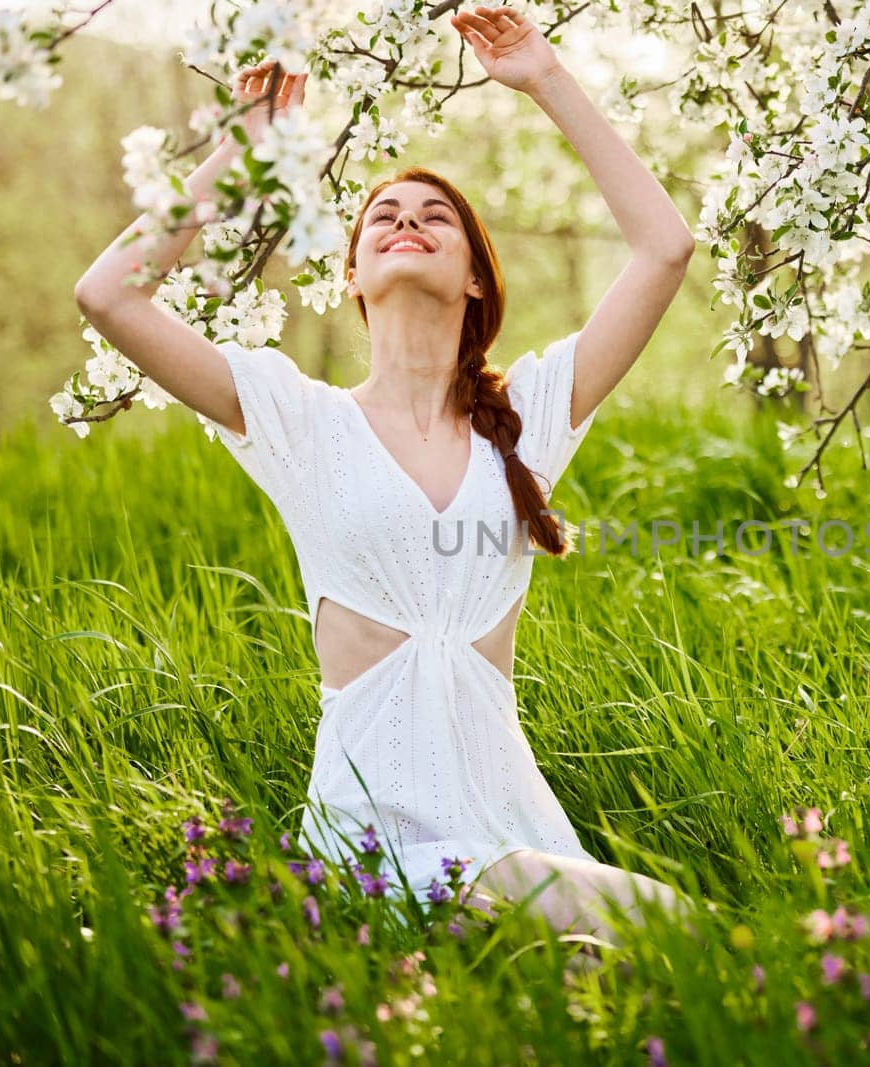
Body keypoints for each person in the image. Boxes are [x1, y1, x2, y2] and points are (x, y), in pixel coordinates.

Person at [74, 4, 698, 950]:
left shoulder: (525, 422)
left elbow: (665, 247)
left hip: (518, 837)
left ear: (477, 280)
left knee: (655, 941)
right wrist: (245, 139)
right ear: (355, 277)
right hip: (374, 852)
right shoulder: (299, 421)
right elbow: (107, 293)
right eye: (383, 220)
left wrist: (544, 79)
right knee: (658, 926)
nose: (408, 223)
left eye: (435, 216)